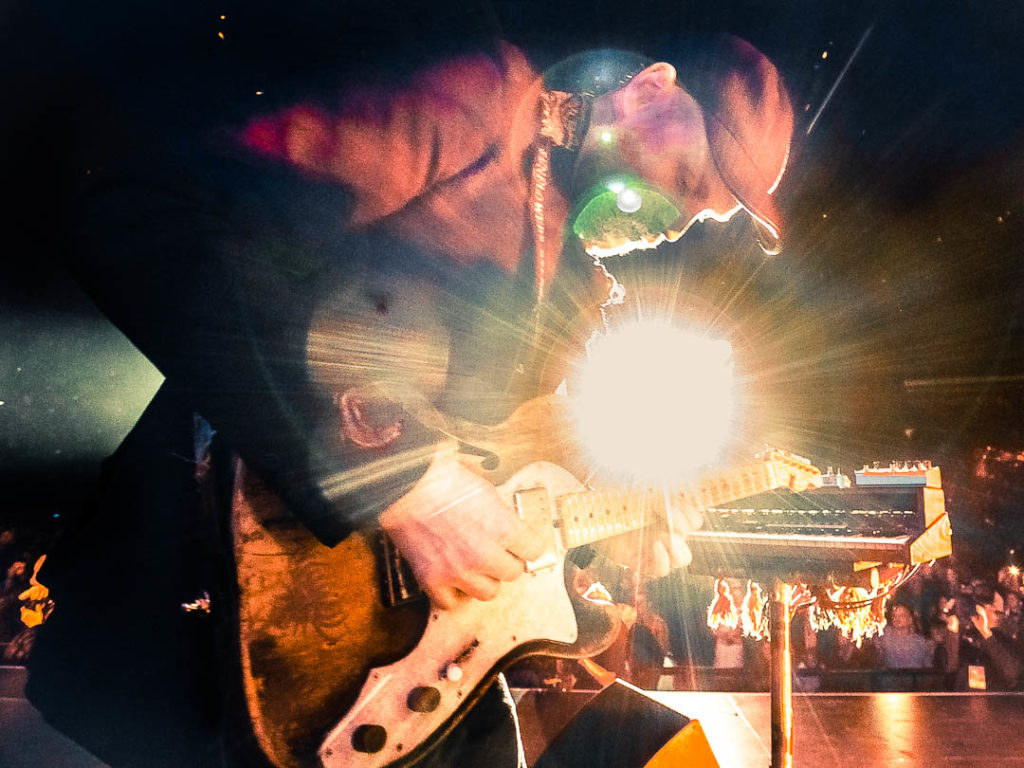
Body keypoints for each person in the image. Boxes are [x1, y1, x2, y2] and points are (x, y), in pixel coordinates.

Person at [23, 8, 795, 767]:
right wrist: (404, 479)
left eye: (704, 217)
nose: (679, 221)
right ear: (648, 89)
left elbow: (502, 477)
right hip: (217, 606)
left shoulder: (579, 284)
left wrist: (603, 541)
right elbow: (148, 212)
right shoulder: (482, 103)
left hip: (403, 667)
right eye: (689, 179)